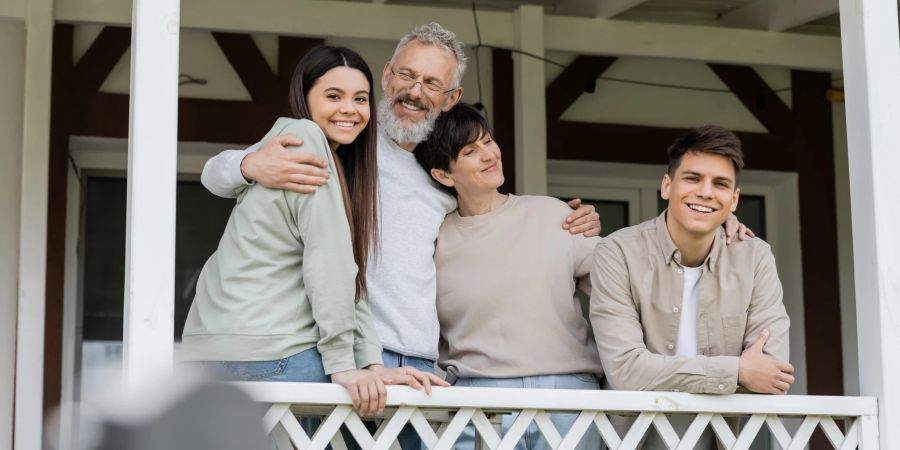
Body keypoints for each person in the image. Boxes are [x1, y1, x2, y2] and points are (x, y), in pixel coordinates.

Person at [198, 23, 601, 450]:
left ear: (451, 98)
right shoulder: (348, 142)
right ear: (387, 75)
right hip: (352, 355)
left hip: (424, 367)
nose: (414, 91)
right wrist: (249, 165)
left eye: (431, 83)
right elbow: (213, 175)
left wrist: (569, 222)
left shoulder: (444, 175)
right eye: (407, 75)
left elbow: (495, 221)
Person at [181, 46, 441, 418]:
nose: (349, 109)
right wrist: (344, 364)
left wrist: (371, 362)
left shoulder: (290, 142)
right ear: (304, 98)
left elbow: (347, 272)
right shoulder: (304, 140)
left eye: (360, 99)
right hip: (274, 353)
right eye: (333, 96)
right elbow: (329, 263)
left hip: (206, 353)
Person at [414, 103, 604, 450]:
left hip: (567, 396)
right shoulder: (435, 240)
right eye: (471, 151)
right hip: (477, 399)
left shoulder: (553, 214)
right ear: (444, 175)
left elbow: (626, 285)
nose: (489, 155)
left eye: (488, 141)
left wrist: (709, 228)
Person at [590, 126, 793, 448]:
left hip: (726, 438)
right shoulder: (619, 253)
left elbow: (772, 372)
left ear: (734, 199)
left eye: (720, 184)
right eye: (692, 178)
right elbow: (627, 372)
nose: (706, 192)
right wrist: (738, 371)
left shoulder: (754, 258)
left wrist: (662, 374)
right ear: (667, 185)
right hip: (634, 439)